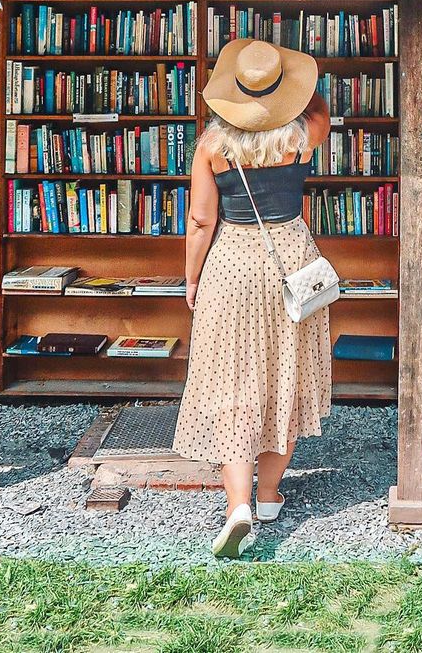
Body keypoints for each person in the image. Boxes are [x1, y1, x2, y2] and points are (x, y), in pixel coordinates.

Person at [172, 36, 333, 559]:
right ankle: (267, 497)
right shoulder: (303, 136)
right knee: (285, 373)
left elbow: (201, 221)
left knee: (232, 380)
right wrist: (294, 85)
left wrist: (192, 279)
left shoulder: (212, 147)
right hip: (292, 258)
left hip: (233, 265)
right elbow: (318, 106)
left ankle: (237, 505)